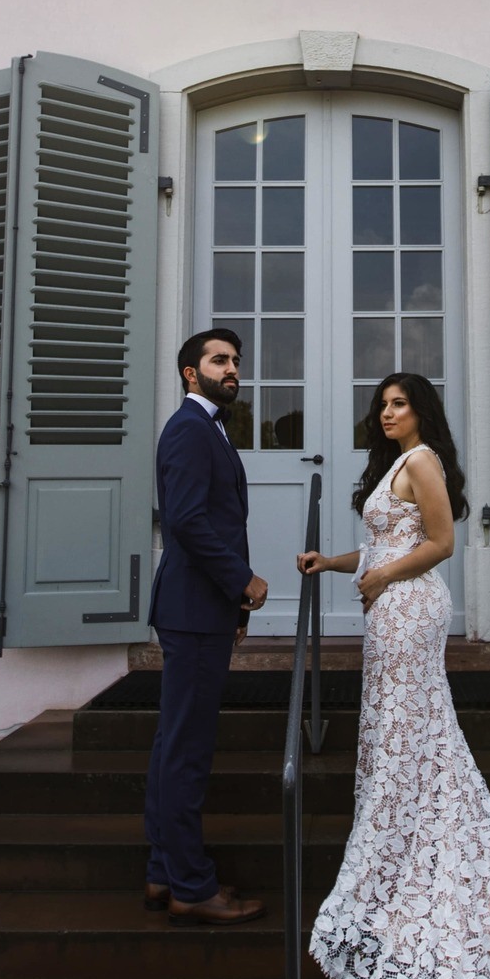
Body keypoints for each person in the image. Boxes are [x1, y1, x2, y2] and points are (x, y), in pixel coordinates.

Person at [296, 373, 490, 979]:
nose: (388, 412)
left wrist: (379, 579)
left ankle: (406, 855)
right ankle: (401, 845)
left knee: (408, 723)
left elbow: (440, 544)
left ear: (422, 411)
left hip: (410, 607)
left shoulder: (423, 461)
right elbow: (380, 544)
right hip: (388, 602)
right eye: (383, 404)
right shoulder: (394, 463)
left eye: (400, 403)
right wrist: (334, 564)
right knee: (407, 726)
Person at [142, 328, 269, 926]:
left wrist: (232, 606)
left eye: (236, 361)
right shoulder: (191, 429)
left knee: (174, 743)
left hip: (201, 609)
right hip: (193, 610)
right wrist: (243, 582)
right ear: (190, 373)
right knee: (187, 751)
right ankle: (192, 884)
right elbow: (188, 522)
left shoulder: (209, 427)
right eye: (220, 361)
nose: (233, 369)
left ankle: (164, 871)